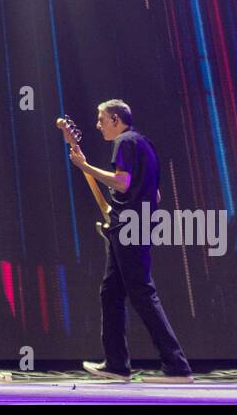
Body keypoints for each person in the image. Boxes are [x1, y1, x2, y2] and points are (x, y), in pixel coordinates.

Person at [68, 100, 193, 384]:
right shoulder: (143, 143)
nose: (98, 126)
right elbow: (155, 194)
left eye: (101, 120)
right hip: (132, 224)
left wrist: (85, 166)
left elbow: (122, 183)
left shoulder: (124, 142)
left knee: (141, 292)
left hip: (130, 227)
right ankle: (116, 365)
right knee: (111, 292)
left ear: (115, 119)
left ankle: (177, 366)